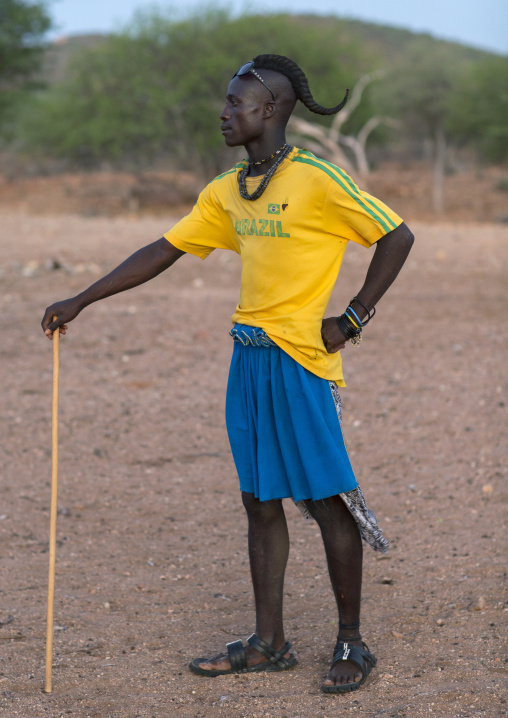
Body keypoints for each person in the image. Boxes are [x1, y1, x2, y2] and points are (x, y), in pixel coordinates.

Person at [42, 54, 414, 694]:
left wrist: (351, 319)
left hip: (300, 358)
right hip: (248, 358)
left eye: (235, 103)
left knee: (325, 499)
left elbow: (397, 236)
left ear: (269, 111)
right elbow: (163, 250)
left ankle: (352, 641)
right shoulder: (225, 190)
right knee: (259, 499)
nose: (224, 113)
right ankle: (268, 643)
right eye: (225, 102)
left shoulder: (318, 180)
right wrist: (82, 297)